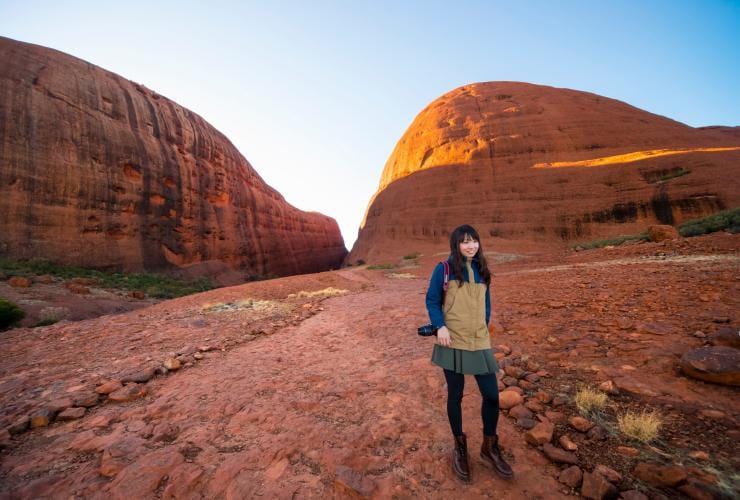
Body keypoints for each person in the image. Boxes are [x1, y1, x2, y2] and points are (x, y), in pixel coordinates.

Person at [425, 224, 513, 483]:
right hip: (451, 339)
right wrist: (440, 325)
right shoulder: (444, 269)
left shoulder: (482, 269)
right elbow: (431, 300)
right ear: (456, 244)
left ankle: (489, 446)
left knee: (492, 396)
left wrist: (484, 325)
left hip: (479, 340)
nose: (470, 246)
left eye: (474, 240)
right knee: (455, 396)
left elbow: (486, 303)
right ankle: (460, 447)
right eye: (464, 242)